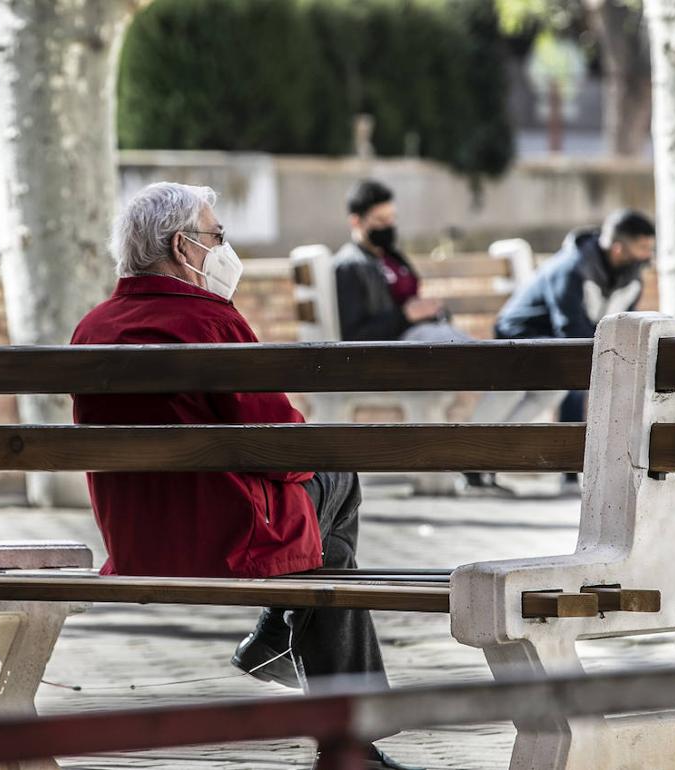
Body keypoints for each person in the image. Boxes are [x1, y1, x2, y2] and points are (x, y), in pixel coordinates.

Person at [71, 182, 421, 770]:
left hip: (136, 541)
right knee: (336, 481)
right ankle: (294, 655)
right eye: (218, 236)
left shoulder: (92, 328)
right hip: (230, 538)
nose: (225, 247)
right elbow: (282, 448)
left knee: (327, 550)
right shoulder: (209, 321)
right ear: (184, 247)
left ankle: (288, 645)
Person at [464, 209, 656, 492]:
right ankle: (468, 458)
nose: (648, 256)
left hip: (560, 346)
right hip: (520, 337)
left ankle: (488, 459)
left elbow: (618, 324)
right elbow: (571, 330)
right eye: (642, 248)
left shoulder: (631, 279)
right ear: (618, 248)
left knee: (553, 390)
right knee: (517, 388)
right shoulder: (572, 268)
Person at [334, 179, 468, 343]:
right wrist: (406, 316)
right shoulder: (349, 266)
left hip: (425, 334)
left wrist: (432, 309)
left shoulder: (392, 256)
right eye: (381, 220)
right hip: (395, 347)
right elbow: (354, 334)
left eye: (392, 218)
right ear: (356, 221)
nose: (389, 226)